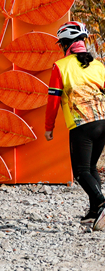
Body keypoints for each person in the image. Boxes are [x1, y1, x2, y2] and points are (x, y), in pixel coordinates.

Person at [45, 21, 105, 228]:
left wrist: (49, 127)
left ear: (65, 44)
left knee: (80, 172)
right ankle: (94, 212)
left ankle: (102, 202)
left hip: (82, 124)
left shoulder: (61, 66)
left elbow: (53, 101)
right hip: (103, 122)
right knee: (91, 167)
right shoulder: (98, 65)